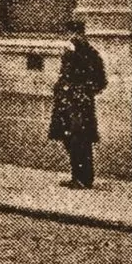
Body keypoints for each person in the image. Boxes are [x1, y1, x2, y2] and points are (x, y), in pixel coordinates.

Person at [49, 19, 108, 190]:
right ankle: (76, 176)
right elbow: (65, 75)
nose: (71, 38)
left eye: (74, 34)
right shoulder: (69, 53)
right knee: (68, 139)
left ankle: (84, 179)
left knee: (80, 139)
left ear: (81, 35)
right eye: (70, 35)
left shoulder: (90, 54)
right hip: (66, 102)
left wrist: (84, 92)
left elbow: (101, 81)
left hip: (80, 104)